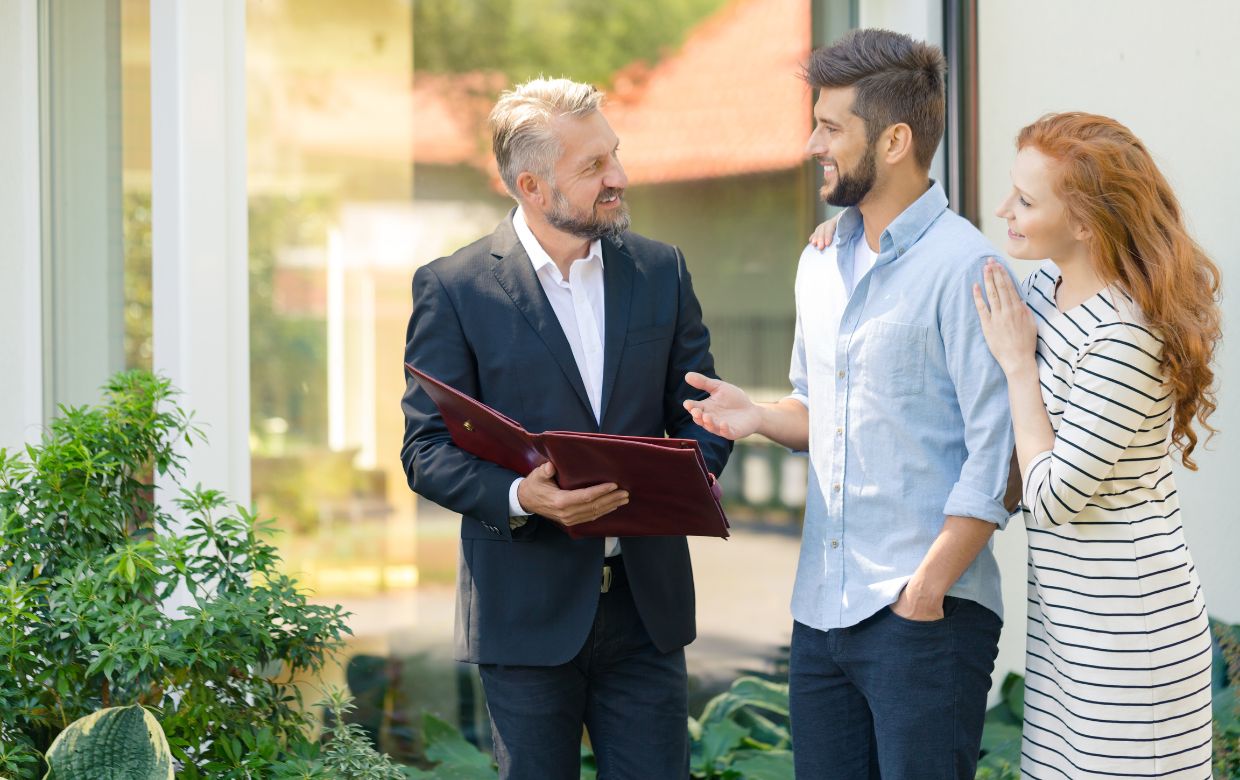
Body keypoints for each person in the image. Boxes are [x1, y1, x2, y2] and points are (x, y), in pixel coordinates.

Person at [685, 29, 1015, 779]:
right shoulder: (822, 260)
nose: (812, 145)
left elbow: (996, 455)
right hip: (822, 614)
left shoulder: (968, 267)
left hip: (925, 617)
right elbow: (821, 409)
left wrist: (924, 592)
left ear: (895, 139)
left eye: (831, 127)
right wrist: (761, 416)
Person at [399, 77, 732, 780]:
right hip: (524, 616)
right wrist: (525, 496)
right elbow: (425, 450)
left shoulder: (661, 271)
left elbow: (702, 414)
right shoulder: (455, 288)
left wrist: (681, 483)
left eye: (614, 154)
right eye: (594, 167)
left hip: (648, 612)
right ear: (531, 185)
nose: (620, 178)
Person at [973, 112, 1219, 779]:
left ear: (1084, 222)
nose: (1005, 210)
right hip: (1066, 626)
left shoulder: (1123, 338)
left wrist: (1020, 366)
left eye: (1026, 201)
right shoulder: (1046, 292)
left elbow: (1051, 497)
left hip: (1130, 635)